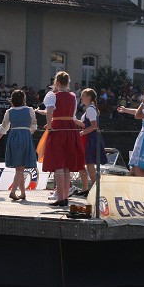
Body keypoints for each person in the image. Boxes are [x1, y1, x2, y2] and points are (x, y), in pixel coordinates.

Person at [41, 72, 85, 206]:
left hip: (58, 127)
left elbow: (49, 112)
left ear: (57, 82)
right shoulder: (73, 96)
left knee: (58, 163)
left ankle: (60, 197)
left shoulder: (52, 95)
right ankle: (64, 196)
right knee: (66, 164)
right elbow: (72, 115)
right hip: (70, 128)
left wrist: (49, 127)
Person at [0, 89, 37, 201]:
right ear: (23, 99)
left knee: (19, 167)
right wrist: (27, 134)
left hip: (13, 137)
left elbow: (3, 129)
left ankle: (22, 193)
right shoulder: (29, 110)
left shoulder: (9, 111)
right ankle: (13, 192)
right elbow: (34, 126)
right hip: (25, 136)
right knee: (20, 167)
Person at [73, 88, 106, 197]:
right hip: (89, 137)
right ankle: (87, 188)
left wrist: (83, 133)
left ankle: (96, 187)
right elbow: (84, 124)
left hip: (90, 138)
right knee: (86, 162)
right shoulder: (89, 109)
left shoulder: (91, 109)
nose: (81, 97)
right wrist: (72, 119)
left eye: (83, 95)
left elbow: (93, 126)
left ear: (89, 97)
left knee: (89, 162)